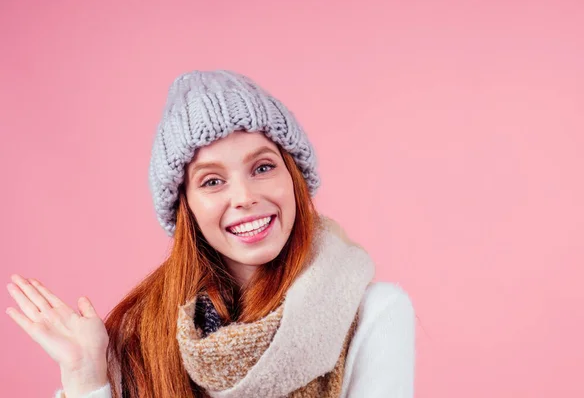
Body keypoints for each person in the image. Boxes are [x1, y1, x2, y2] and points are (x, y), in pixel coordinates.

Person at [6, 70, 415, 397]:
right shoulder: (140, 337)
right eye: (212, 181)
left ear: (294, 178)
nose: (244, 197)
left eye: (262, 167)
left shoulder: (374, 313)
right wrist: (85, 376)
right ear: (186, 208)